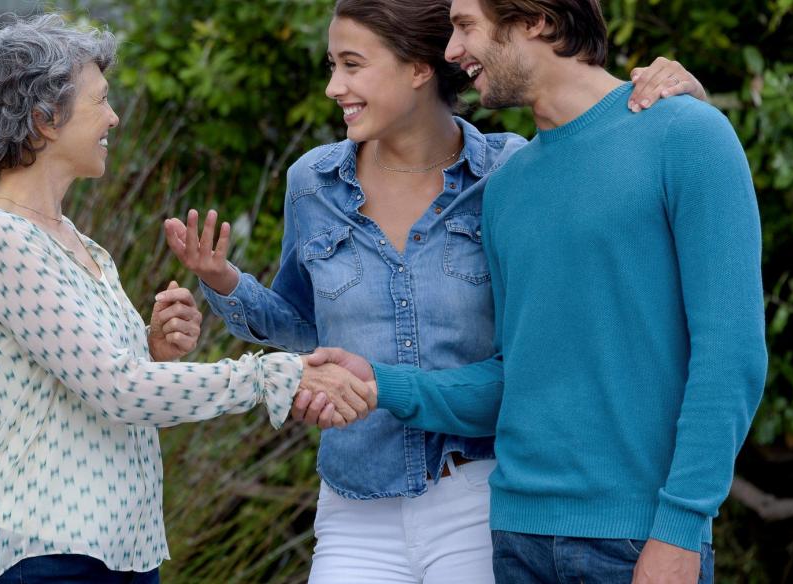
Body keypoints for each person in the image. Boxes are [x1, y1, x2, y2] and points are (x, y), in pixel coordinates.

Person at [162, 1, 706, 582]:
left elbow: (549, 335)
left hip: (477, 490)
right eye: (331, 65)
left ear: (419, 69)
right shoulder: (311, 185)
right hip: (355, 492)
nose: (333, 87)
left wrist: (677, 98)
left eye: (351, 65)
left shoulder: (509, 173)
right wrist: (225, 283)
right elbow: (305, 327)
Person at [305, 0, 768, 583]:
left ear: (536, 20)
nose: (450, 51)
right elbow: (514, 378)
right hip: (515, 538)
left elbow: (731, 355)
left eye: (465, 26)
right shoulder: (508, 189)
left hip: (634, 542)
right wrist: (382, 384)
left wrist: (681, 526)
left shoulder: (687, 135)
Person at [0, 14, 371, 584]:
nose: (113, 117)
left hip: (120, 550)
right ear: (44, 119)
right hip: (47, 554)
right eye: (99, 101)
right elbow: (119, 391)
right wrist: (276, 376)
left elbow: (108, 386)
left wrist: (153, 350)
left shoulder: (83, 245)